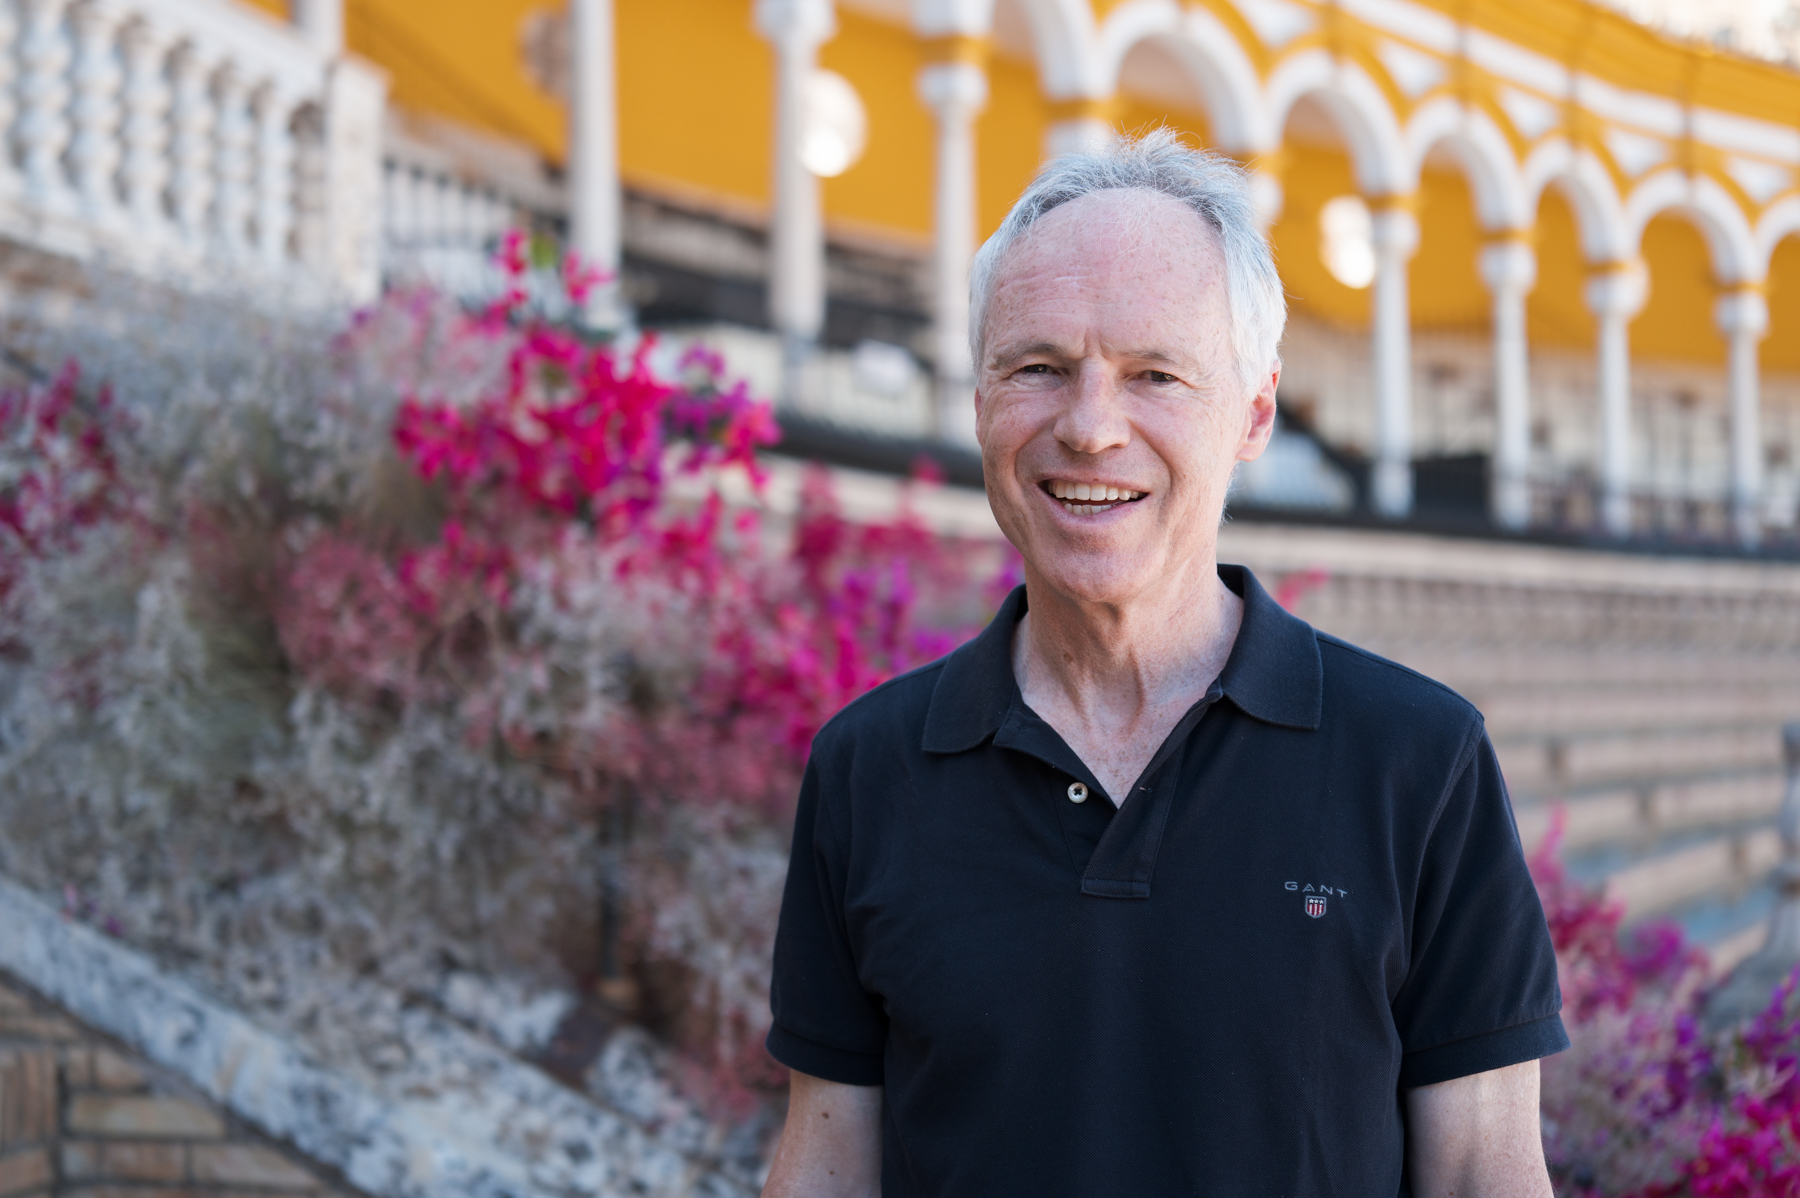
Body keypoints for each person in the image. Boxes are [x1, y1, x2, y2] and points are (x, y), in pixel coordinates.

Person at [760, 130, 1565, 1198]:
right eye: (1038, 367)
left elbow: (1483, 1179)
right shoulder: (868, 770)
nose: (1091, 427)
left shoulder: (1420, 762)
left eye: (1157, 374)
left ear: (1256, 412)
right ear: (980, 402)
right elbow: (822, 1177)